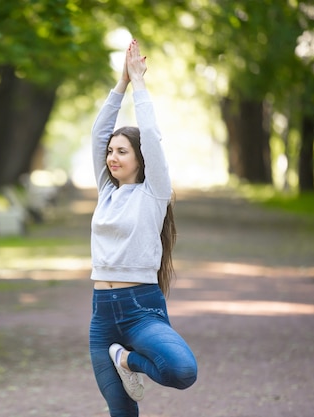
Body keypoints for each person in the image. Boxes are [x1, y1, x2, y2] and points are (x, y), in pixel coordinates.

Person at [89, 38, 198, 417]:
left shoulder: (154, 193)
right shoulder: (106, 191)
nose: (112, 156)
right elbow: (97, 134)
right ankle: (119, 358)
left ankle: (127, 360)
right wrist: (119, 83)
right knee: (121, 412)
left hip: (141, 310)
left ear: (140, 158)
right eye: (110, 151)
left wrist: (139, 84)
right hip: (102, 315)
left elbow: (150, 136)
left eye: (122, 151)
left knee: (182, 370)